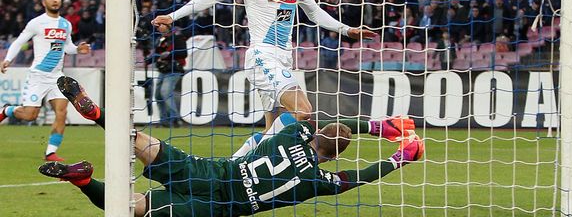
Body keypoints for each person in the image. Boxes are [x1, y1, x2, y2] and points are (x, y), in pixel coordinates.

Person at [40, 76, 424, 216]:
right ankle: (84, 181)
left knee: (143, 141)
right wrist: (401, 157)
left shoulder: (292, 132)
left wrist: (378, 126)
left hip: (217, 170)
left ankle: (97, 114)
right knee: (133, 207)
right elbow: (358, 177)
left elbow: (315, 123)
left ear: (316, 134)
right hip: (222, 205)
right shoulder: (317, 179)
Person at [151, 0, 377, 132]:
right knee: (302, 111)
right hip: (262, 55)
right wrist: (172, 16)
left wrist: (347, 30)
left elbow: (314, 12)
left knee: (271, 128)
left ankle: (246, 162)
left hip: (284, 56)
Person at [0, 0, 90, 161]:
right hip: (38, 76)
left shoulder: (66, 24)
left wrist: (78, 49)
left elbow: (67, 47)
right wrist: (8, 59)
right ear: (44, 2)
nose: (55, 0)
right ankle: (7, 110)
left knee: (62, 112)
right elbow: (19, 42)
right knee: (29, 115)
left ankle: (50, 152)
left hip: (57, 77)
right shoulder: (37, 23)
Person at [145, 23, 187, 126]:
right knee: (158, 95)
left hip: (174, 69)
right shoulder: (160, 39)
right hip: (163, 70)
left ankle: (175, 119)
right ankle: (164, 120)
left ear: (168, 26)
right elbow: (157, 55)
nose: (160, 27)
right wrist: (147, 60)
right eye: (158, 26)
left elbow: (183, 53)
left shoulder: (177, 38)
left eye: (162, 25)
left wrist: (169, 55)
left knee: (165, 92)